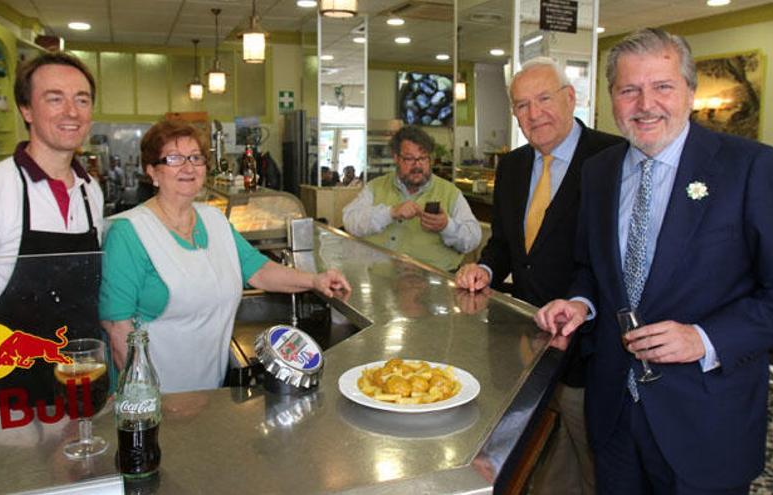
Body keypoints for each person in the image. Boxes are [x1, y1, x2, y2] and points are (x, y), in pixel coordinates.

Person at [534, 28, 773, 494]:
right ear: (612, 98)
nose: (646, 104)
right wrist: (581, 303)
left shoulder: (750, 167)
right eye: (629, 90)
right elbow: (590, 266)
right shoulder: (599, 171)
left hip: (705, 423)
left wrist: (704, 339)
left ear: (690, 91)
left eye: (662, 86)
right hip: (614, 415)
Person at [455, 57, 622, 495]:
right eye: (522, 105)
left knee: (596, 465)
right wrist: (485, 268)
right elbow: (507, 247)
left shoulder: (614, 158)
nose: (534, 114)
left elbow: (621, 258)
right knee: (540, 464)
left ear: (570, 98)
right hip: (524, 351)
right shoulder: (511, 167)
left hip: (590, 351)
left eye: (544, 99)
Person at [99, 120, 351, 394]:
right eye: (174, 158)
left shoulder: (214, 219)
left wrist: (315, 280)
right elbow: (117, 327)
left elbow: (260, 271)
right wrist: (146, 398)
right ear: (152, 171)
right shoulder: (128, 232)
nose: (188, 167)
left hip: (207, 391)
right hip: (152, 396)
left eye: (196, 157)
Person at [0, 52, 101, 407]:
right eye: (54, 99)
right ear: (26, 110)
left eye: (82, 99)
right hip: (7, 403)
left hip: (80, 393)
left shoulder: (91, 190)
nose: (71, 112)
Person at [342, 126, 481, 272]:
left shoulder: (450, 192)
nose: (417, 165)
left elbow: (472, 240)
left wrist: (446, 226)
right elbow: (349, 221)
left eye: (423, 158)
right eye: (409, 159)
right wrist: (390, 213)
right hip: (378, 277)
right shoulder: (375, 187)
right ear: (396, 158)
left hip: (432, 282)